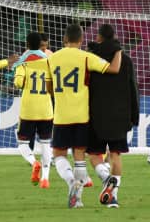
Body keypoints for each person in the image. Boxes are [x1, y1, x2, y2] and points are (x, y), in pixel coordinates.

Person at [46, 23, 121, 209]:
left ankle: (72, 184)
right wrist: (118, 51)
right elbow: (112, 69)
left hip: (61, 115)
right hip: (81, 115)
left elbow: (49, 87)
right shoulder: (87, 57)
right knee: (79, 155)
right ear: (80, 40)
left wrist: (57, 96)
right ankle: (79, 197)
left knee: (58, 155)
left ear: (64, 39)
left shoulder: (52, 58)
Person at [88, 24, 138, 209]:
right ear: (114, 36)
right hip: (119, 115)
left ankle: (106, 178)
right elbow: (133, 89)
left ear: (99, 37)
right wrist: (134, 116)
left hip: (96, 114)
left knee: (94, 154)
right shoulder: (125, 59)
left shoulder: (91, 58)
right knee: (116, 155)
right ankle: (113, 197)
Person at [12, 32, 53, 189]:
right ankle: (45, 178)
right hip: (46, 108)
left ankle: (33, 162)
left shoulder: (23, 63)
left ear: (27, 45)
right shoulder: (49, 62)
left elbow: (18, 83)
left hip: (29, 109)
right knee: (46, 144)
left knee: (22, 143)